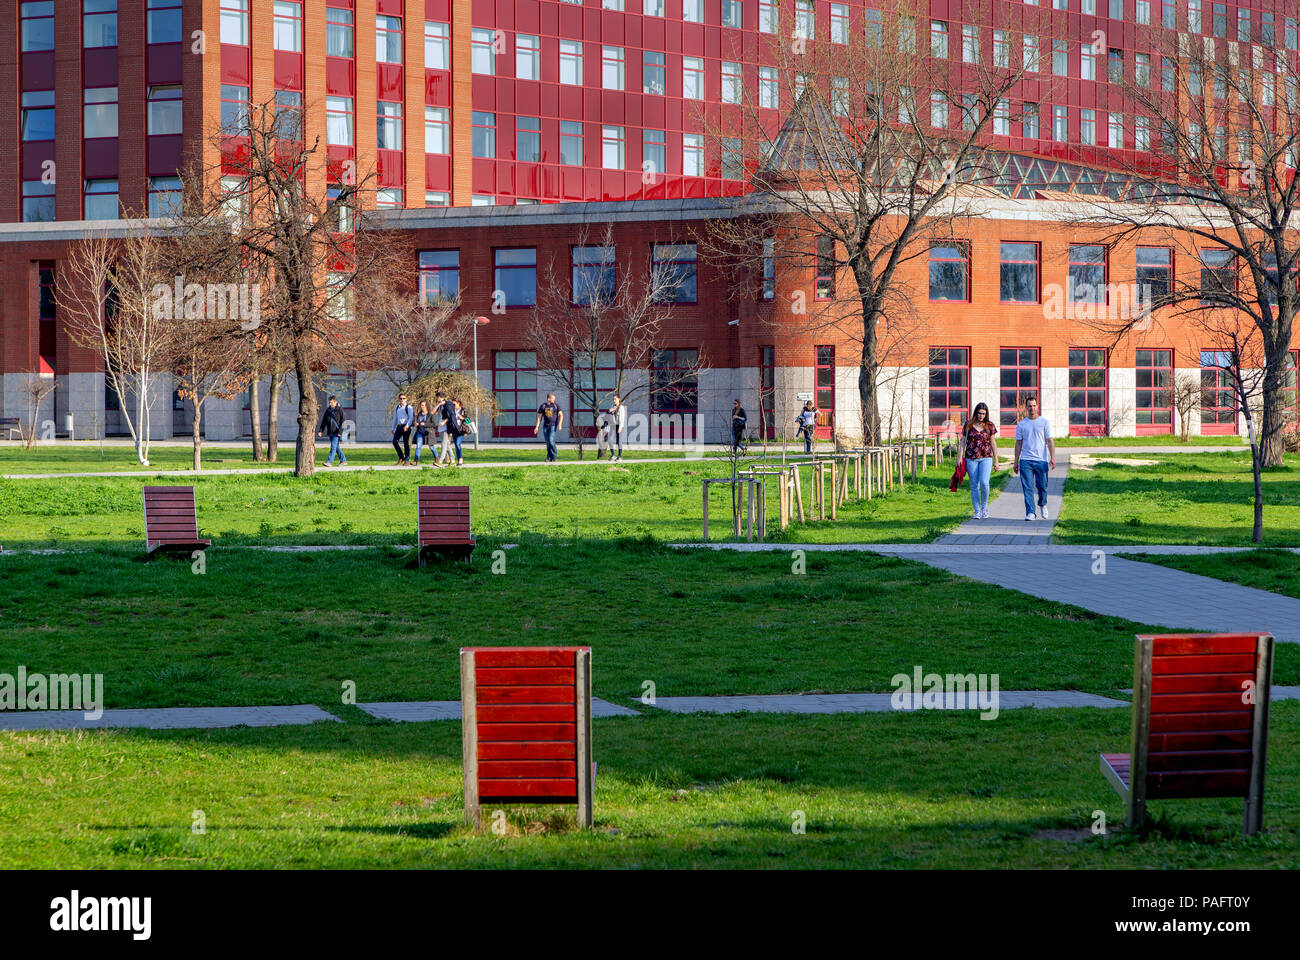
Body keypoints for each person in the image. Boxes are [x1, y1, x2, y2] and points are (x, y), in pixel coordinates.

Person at [1012, 395, 1055, 521]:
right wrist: (1016, 462)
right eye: (1029, 406)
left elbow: (1050, 441)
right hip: (1026, 460)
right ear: (1026, 407)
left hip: (1041, 460)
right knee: (1028, 487)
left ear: (1037, 406)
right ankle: (1030, 512)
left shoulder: (1044, 422)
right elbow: (1018, 443)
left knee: (1042, 486)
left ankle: (1042, 504)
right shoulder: (1022, 425)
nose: (1032, 408)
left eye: (1034, 405)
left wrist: (1052, 458)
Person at [960, 401, 999, 519]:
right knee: (974, 485)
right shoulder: (968, 425)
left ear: (986, 414)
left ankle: (984, 507)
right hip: (971, 458)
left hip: (986, 458)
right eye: (979, 413)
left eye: (983, 414)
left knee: (984, 482)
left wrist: (996, 460)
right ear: (975, 413)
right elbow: (963, 442)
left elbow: (993, 443)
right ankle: (977, 511)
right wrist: (959, 458)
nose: (981, 416)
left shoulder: (990, 425)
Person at [317, 394, 347, 466]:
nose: (330, 404)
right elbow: (324, 421)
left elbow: (344, 422)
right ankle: (343, 460)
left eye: (331, 402)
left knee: (333, 447)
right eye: (329, 402)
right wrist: (321, 430)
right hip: (330, 431)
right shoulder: (328, 410)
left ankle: (329, 461)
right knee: (336, 447)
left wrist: (340, 432)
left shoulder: (340, 410)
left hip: (337, 432)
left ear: (335, 402)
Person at [534, 393, 563, 462]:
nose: (554, 400)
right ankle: (549, 458)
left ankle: (554, 456)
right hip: (545, 426)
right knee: (548, 442)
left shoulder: (556, 406)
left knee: (551, 440)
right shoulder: (543, 406)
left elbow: (561, 415)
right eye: (553, 398)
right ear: (549, 399)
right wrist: (537, 427)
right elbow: (539, 417)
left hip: (553, 426)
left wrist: (560, 424)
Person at [391, 392, 414, 465]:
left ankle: (407, 459)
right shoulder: (397, 407)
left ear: (406, 399)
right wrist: (393, 428)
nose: (402, 400)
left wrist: (407, 426)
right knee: (394, 441)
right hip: (399, 426)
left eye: (403, 398)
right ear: (399, 399)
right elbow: (395, 418)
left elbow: (411, 418)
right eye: (400, 398)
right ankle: (401, 456)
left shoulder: (409, 407)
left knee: (406, 443)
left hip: (406, 426)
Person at [607, 394, 627, 462]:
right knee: (610, 439)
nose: (614, 400)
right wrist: (610, 411)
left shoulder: (621, 407)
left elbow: (622, 418)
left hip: (619, 425)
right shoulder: (612, 406)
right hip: (613, 425)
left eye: (615, 399)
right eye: (613, 399)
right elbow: (608, 414)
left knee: (619, 441)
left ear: (619, 399)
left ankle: (620, 456)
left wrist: (620, 427)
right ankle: (613, 455)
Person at [410, 401, 431, 466]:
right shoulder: (419, 414)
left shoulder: (430, 414)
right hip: (420, 432)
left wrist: (425, 424)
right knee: (418, 446)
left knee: (432, 446)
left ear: (426, 406)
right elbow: (415, 421)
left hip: (427, 432)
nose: (421, 406)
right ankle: (415, 461)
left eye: (423, 405)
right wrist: (416, 423)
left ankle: (437, 458)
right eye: (421, 405)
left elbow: (433, 424)